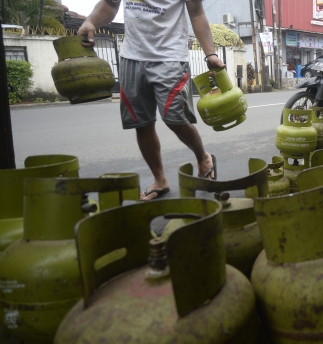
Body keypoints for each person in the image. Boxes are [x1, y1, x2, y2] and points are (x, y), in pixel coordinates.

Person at [78, 0, 225, 201]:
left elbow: (197, 13)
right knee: (141, 123)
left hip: (171, 57)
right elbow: (110, 4)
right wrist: (91, 21)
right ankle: (160, 180)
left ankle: (203, 157)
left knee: (175, 118)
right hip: (131, 57)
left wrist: (211, 53)